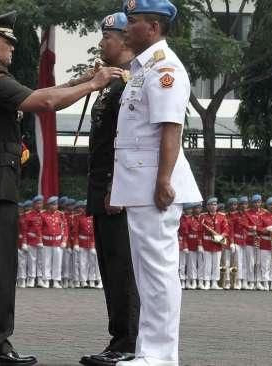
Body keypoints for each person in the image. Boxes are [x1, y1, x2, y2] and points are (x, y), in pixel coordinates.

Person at [0, 10, 123, 365]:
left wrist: (82, 79)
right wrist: (93, 85)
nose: (13, 49)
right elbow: (43, 103)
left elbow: (40, 93)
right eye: (8, 42)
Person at [111, 1, 203, 365]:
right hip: (140, 181)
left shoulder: (165, 68)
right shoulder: (143, 67)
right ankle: (149, 352)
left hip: (154, 183)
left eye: (131, 22)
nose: (125, 28)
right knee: (146, 272)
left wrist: (164, 179)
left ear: (152, 27)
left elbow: (170, 127)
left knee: (158, 271)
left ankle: (161, 356)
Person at [79, 11, 139, 366]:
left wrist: (118, 186)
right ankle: (119, 338)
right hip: (102, 189)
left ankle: (128, 342)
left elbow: (128, 141)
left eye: (107, 38)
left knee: (123, 268)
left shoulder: (131, 84)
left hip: (117, 190)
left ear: (125, 40)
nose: (102, 43)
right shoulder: (112, 83)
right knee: (110, 266)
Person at [199, 197, 230, 290]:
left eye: (215, 204)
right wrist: (200, 244)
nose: (213, 206)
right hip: (207, 243)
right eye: (211, 205)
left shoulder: (222, 216)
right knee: (207, 263)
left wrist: (222, 235)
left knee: (216, 264)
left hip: (218, 242)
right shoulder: (203, 216)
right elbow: (199, 231)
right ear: (207, 206)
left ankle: (214, 282)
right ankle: (207, 282)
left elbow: (226, 229)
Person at [39, 196, 67, 288]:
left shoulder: (61, 215)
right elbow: (39, 228)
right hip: (46, 242)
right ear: (49, 205)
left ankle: (56, 280)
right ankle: (46, 280)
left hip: (57, 242)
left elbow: (64, 228)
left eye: (56, 204)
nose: (55, 206)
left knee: (57, 262)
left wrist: (64, 240)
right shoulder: (43, 215)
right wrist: (40, 240)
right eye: (53, 204)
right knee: (46, 262)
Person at [244, 194, 266, 291]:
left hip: (261, 240)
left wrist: (260, 229)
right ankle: (251, 281)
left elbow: (266, 225)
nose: (257, 204)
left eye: (259, 202)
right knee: (251, 262)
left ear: (261, 202)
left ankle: (258, 282)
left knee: (259, 262)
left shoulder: (265, 212)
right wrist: (251, 228)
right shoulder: (247, 212)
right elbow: (244, 224)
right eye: (255, 202)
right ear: (252, 203)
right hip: (250, 239)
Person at [24, 195, 44, 288]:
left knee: (41, 261)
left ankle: (40, 279)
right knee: (32, 260)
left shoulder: (44, 214)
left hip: (43, 241)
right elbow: (24, 229)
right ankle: (31, 278)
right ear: (34, 204)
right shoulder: (28, 215)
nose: (40, 205)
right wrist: (24, 242)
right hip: (32, 240)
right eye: (38, 203)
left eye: (41, 203)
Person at [178, 203, 192, 289]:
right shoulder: (180, 219)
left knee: (190, 264)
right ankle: (182, 280)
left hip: (191, 243)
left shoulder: (193, 218)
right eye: (188, 209)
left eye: (190, 209)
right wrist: (183, 245)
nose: (189, 210)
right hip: (182, 243)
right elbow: (180, 233)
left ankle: (189, 280)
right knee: (182, 263)